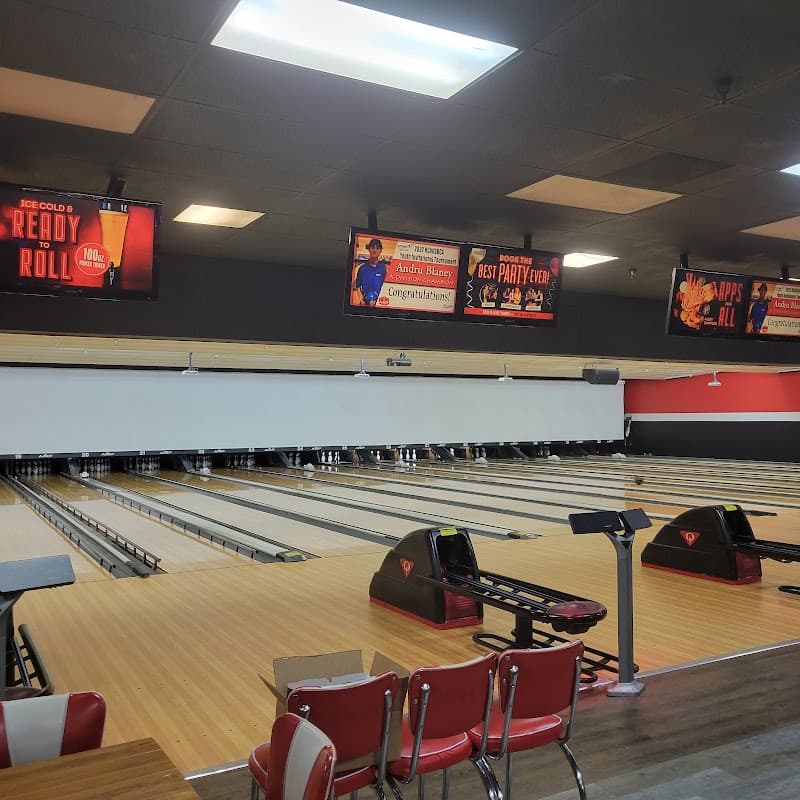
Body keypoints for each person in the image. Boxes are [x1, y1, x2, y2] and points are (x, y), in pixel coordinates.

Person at [354, 238, 387, 306]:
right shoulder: (362, 268)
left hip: (379, 304)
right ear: (369, 249)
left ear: (380, 251)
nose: (375, 250)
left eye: (377, 248)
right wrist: (361, 298)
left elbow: (386, 287)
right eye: (372, 248)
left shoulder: (383, 269)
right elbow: (357, 285)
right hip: (364, 304)